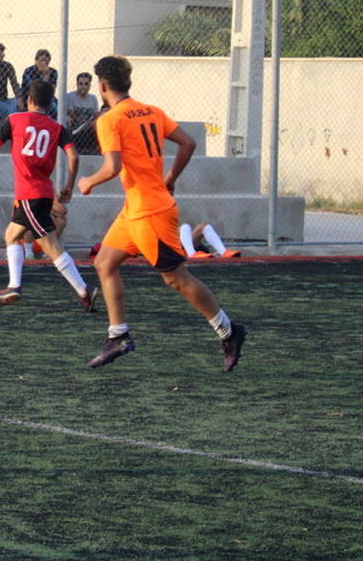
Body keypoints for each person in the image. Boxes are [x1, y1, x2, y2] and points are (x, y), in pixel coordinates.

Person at [77, 55, 247, 371]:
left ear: (102, 86)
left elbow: (112, 167)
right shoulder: (151, 111)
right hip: (135, 209)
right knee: (104, 263)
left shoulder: (110, 119)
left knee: (176, 278)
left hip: (150, 212)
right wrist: (170, 179)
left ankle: (228, 331)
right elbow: (188, 143)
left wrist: (88, 181)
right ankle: (118, 336)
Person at [0, 80, 97, 310]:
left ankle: (84, 289)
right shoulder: (57, 127)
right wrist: (69, 185)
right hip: (40, 193)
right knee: (11, 235)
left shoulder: (14, 119)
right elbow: (74, 156)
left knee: (51, 246)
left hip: (30, 194)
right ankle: (14, 286)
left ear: (29, 100)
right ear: (50, 104)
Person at [65, 71, 101, 155]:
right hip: (75, 128)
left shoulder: (93, 98)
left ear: (90, 85)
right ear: (77, 84)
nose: (83, 87)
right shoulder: (70, 96)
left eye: (86, 84)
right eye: (80, 84)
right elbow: (70, 113)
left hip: (88, 130)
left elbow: (95, 115)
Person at [19, 49, 58, 118]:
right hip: (30, 96)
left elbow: (52, 90)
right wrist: (44, 79)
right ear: (36, 60)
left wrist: (46, 75)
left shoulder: (53, 72)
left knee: (58, 106)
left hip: (46, 96)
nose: (44, 63)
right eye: (42, 60)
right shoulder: (29, 71)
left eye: (47, 61)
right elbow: (34, 89)